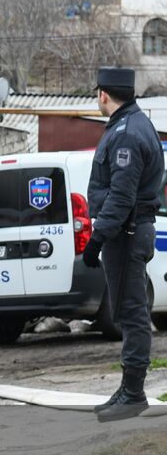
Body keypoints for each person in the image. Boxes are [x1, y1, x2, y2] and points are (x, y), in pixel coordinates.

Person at [83, 66, 163, 422]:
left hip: (126, 234)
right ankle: (128, 389)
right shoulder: (130, 125)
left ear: (104, 94)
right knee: (126, 312)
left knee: (131, 314)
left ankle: (133, 394)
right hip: (127, 233)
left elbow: (121, 194)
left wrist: (96, 238)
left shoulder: (127, 133)